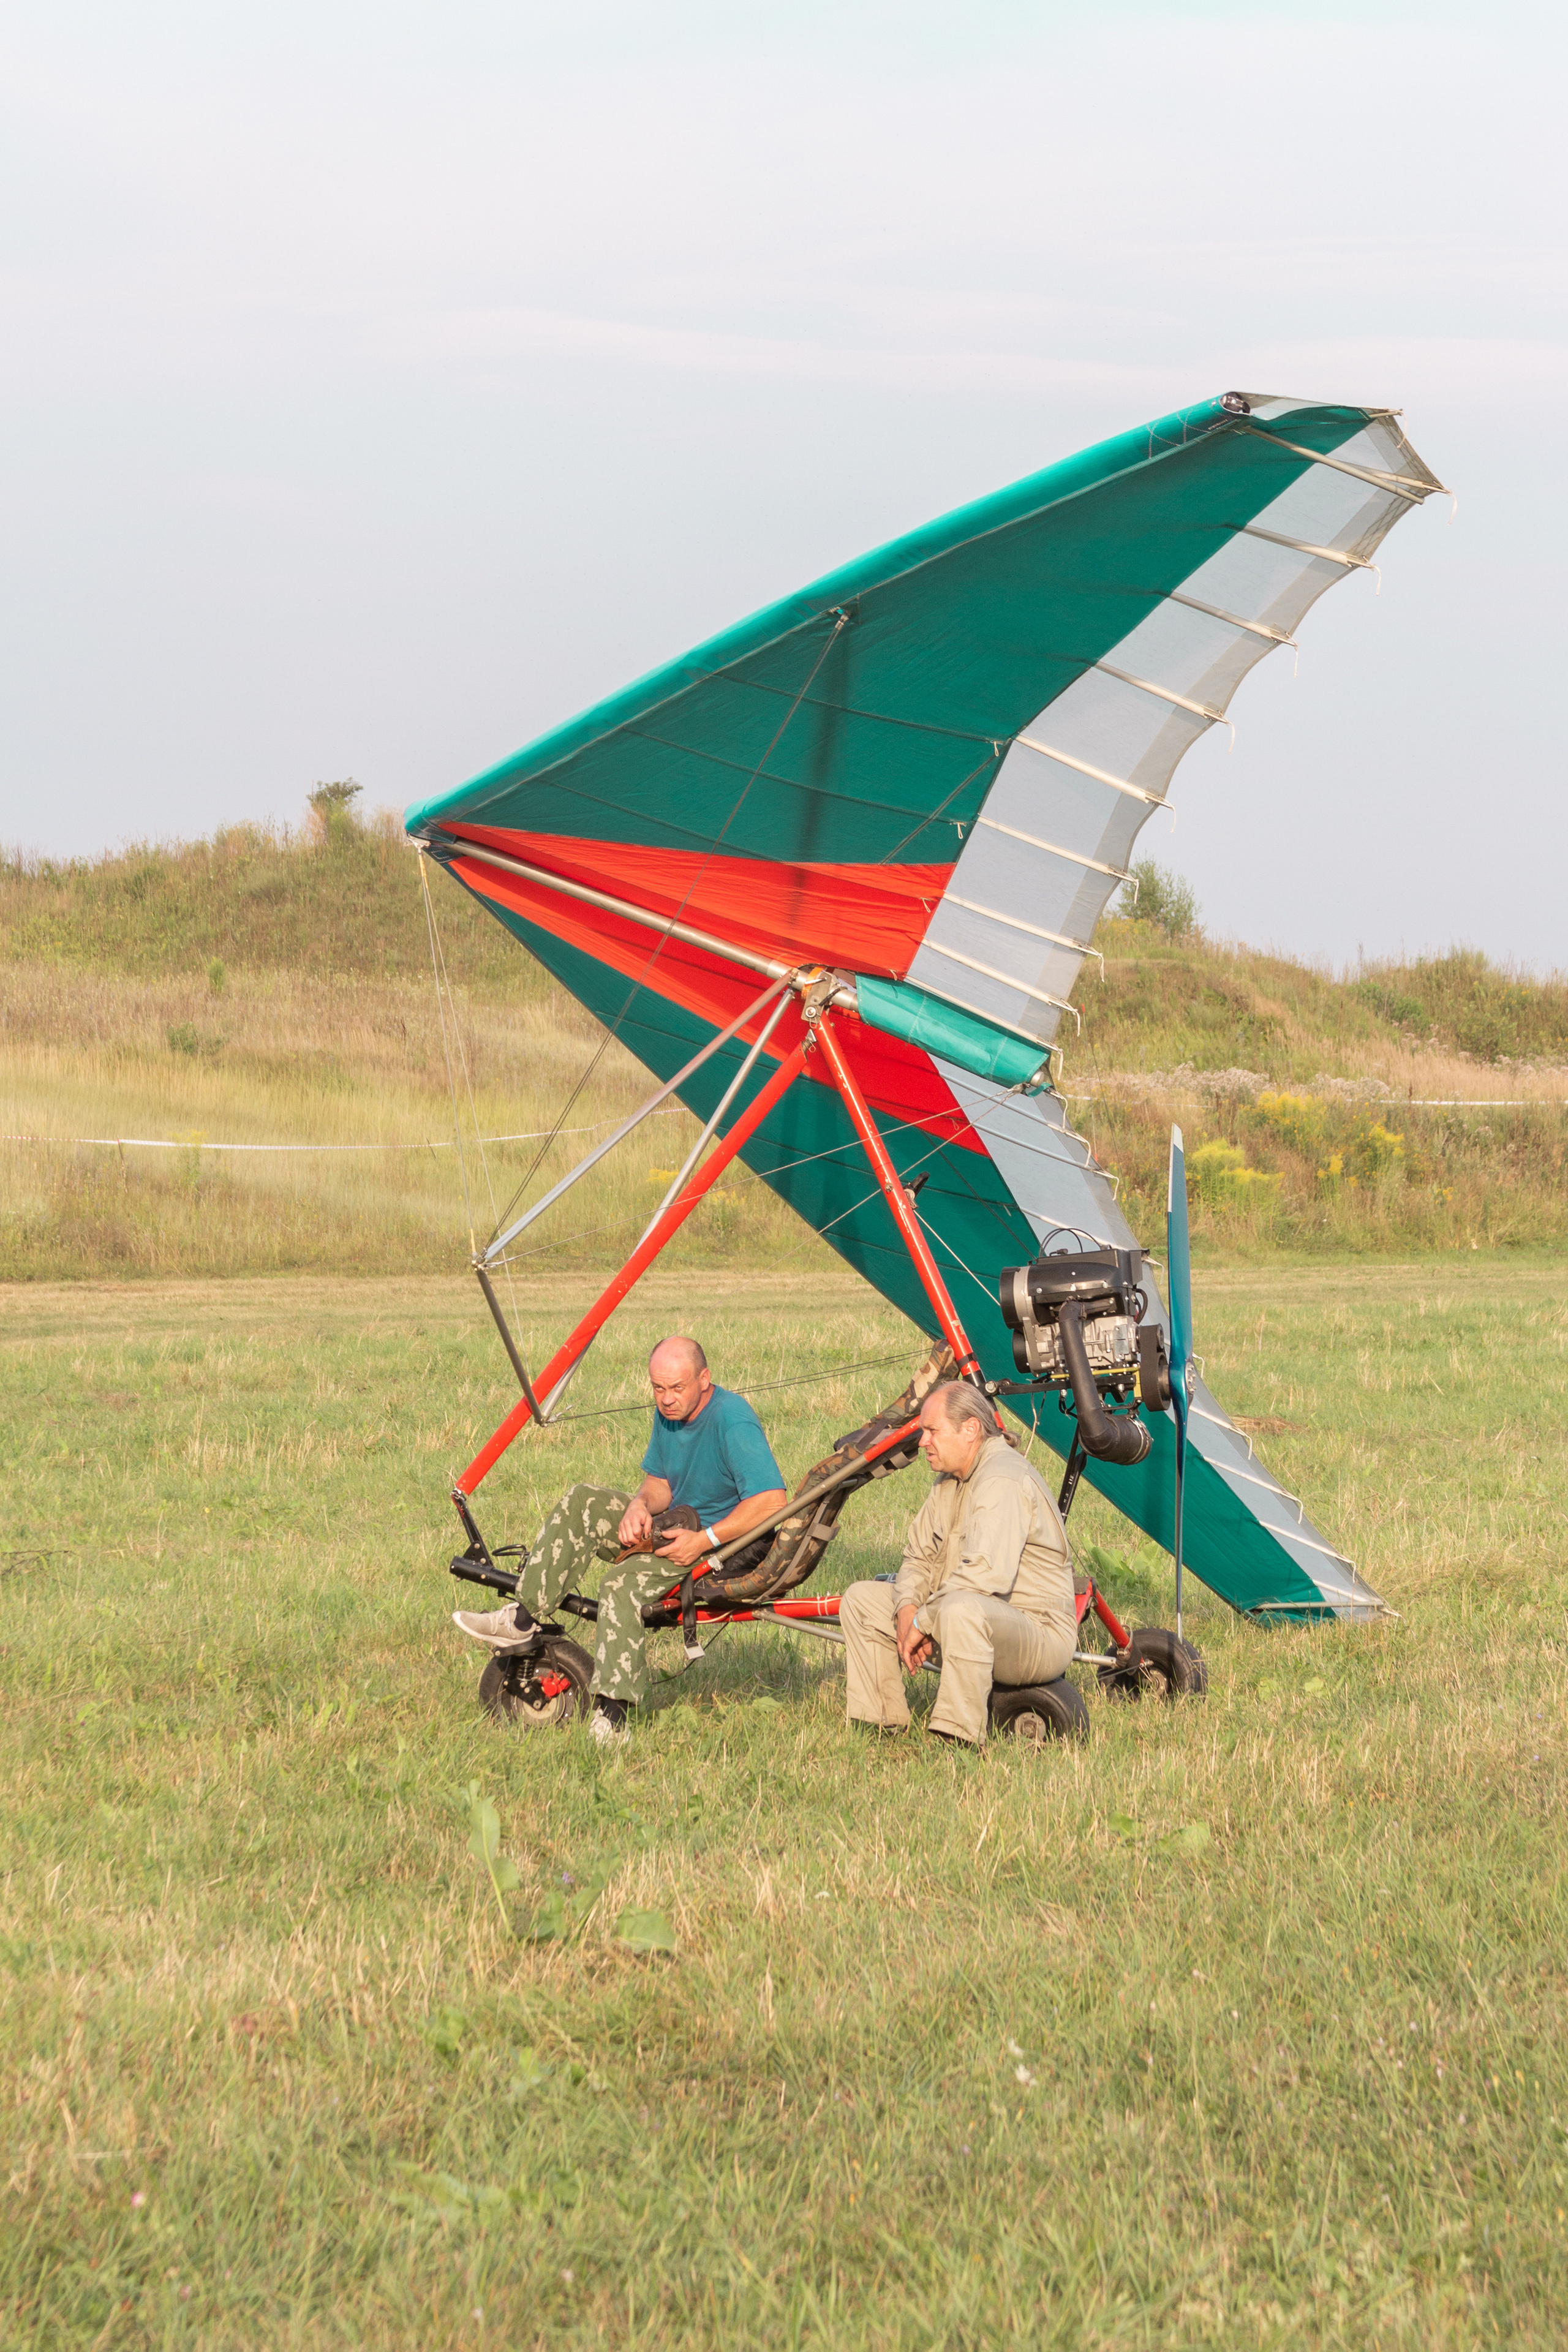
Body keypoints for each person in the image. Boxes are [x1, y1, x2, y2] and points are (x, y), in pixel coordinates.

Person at [452, 1335, 787, 1745]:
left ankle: (614, 1716)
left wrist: (703, 1541)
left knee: (620, 1584)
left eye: (677, 1388)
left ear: (704, 1378)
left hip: (719, 1547)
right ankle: (524, 1619)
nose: (666, 1399)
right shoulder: (669, 1413)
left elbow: (771, 1502)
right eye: (658, 1388)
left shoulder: (732, 1420)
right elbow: (661, 1483)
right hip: (675, 1523)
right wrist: (640, 1506)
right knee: (583, 1501)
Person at [839, 1381, 1077, 1746]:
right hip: (969, 1614)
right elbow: (917, 1556)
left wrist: (922, 1620)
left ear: (971, 1430)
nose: (922, 1442)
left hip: (1037, 1631)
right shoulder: (949, 1480)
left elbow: (985, 1575)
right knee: (861, 1600)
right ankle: (881, 1726)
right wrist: (906, 1608)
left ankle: (959, 1740)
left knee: (963, 1609)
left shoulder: (1002, 1478)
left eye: (932, 1430)